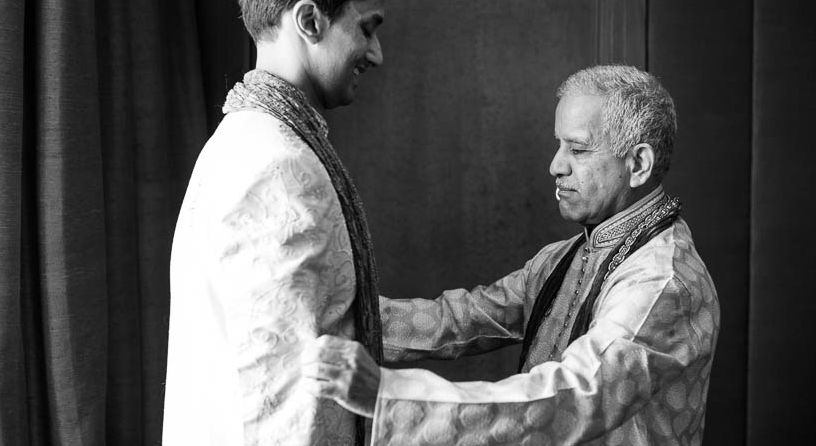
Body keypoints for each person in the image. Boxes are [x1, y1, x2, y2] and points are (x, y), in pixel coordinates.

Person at [301, 65, 721, 445]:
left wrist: (387, 396)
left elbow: (573, 396)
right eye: (559, 146)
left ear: (639, 164)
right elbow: (463, 319)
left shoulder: (664, 282)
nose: (555, 165)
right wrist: (340, 316)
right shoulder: (565, 257)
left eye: (577, 149)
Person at [162, 0, 398, 445]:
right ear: (310, 21)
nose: (377, 54)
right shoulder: (278, 164)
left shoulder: (240, 138)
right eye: (367, 27)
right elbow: (283, 399)